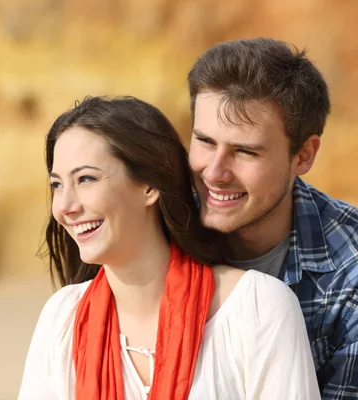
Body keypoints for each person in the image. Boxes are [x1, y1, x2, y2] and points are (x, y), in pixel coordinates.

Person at [18, 96, 319, 399]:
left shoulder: (257, 307)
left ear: (149, 187)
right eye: (57, 185)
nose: (66, 207)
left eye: (86, 179)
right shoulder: (63, 318)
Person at [186, 37, 358, 399]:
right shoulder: (159, 227)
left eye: (245, 151)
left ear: (304, 155)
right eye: (204, 141)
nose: (214, 173)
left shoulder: (352, 272)